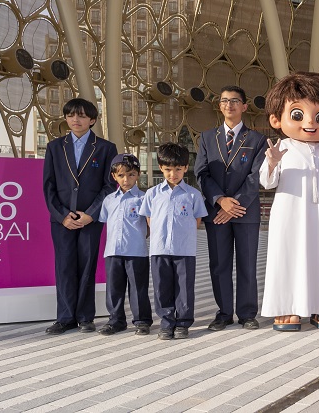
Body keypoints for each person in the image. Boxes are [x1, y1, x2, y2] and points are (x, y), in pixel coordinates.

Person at [260, 72, 319, 331]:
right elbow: (266, 183)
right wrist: (272, 162)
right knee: (288, 259)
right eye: (298, 115)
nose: (310, 122)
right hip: (288, 218)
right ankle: (287, 308)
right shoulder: (282, 147)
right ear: (277, 119)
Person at [194, 85, 267, 331]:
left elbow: (256, 176)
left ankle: (247, 313)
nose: (229, 105)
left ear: (244, 106)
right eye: (224, 101)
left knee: (247, 263)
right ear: (220, 106)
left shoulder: (258, 139)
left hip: (245, 212)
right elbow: (201, 173)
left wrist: (234, 203)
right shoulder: (206, 138)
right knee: (219, 263)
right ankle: (224, 313)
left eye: (235, 101)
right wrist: (219, 200)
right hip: (216, 212)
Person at [42, 98, 117, 335]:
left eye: (82, 116)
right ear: (66, 118)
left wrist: (92, 215)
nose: (76, 119)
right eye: (71, 115)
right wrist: (62, 215)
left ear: (92, 120)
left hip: (89, 220)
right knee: (63, 267)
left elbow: (109, 186)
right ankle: (64, 317)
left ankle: (85, 317)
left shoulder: (105, 148)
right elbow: (49, 186)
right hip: (62, 220)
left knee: (87, 266)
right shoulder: (55, 147)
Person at [139, 142, 208, 341]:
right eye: (168, 169)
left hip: (184, 249)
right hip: (159, 248)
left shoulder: (193, 195)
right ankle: (167, 322)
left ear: (186, 168)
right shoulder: (152, 194)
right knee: (162, 287)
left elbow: (196, 220)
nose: (173, 174)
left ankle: (184, 323)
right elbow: (149, 220)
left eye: (178, 169)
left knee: (184, 287)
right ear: (161, 167)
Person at [97, 153, 152, 336]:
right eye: (121, 175)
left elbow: (150, 225)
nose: (126, 179)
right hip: (112, 251)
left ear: (138, 174)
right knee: (114, 289)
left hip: (137, 251)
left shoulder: (144, 199)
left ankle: (142, 320)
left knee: (138, 288)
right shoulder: (109, 200)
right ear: (114, 176)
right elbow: (106, 221)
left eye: (131, 174)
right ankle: (116, 320)